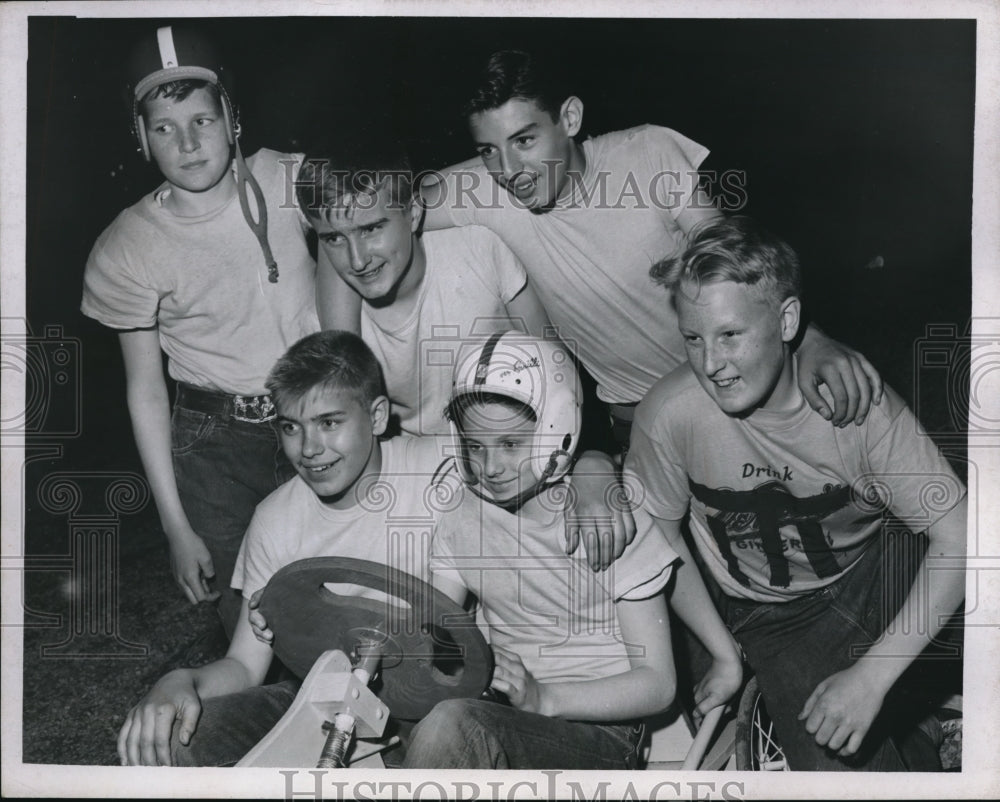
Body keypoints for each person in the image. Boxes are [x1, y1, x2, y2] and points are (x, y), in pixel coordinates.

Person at [626, 216, 967, 770]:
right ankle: (919, 732)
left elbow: (959, 534)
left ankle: (917, 710)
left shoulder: (857, 404)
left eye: (730, 334)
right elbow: (658, 538)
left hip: (873, 568)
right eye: (693, 338)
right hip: (774, 615)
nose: (710, 363)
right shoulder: (669, 415)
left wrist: (874, 676)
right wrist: (722, 653)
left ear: (788, 322)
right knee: (842, 773)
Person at [420, 49, 883, 448]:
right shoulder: (483, 188)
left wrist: (812, 340)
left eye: (524, 140)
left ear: (570, 119)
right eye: (488, 151)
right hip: (638, 417)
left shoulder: (647, 154)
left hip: (739, 382)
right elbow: (382, 202)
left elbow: (740, 263)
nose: (509, 169)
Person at [80, 26, 355, 635]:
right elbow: (146, 390)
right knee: (247, 612)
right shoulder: (127, 245)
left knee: (341, 582)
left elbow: (378, 215)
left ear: (232, 116)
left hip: (313, 409)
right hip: (213, 440)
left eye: (202, 120)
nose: (187, 142)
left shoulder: (291, 179)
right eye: (164, 127)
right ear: (140, 138)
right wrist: (175, 525)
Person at [402, 332, 743, 769]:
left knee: (452, 726)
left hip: (601, 730)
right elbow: (438, 632)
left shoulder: (607, 519)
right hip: (500, 711)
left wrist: (544, 698)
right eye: (475, 446)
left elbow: (658, 685)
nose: (490, 467)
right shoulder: (459, 514)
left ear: (556, 427)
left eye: (510, 444)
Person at [116, 330, 452, 766]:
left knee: (444, 736)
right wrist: (182, 680)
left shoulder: (441, 467)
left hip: (437, 708)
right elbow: (244, 666)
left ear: (378, 415)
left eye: (329, 423)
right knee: (180, 738)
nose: (309, 449)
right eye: (292, 427)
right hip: (327, 707)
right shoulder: (274, 520)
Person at [298, 135, 551, 437]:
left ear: (414, 214)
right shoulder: (321, 329)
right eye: (334, 238)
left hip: (518, 441)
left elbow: (551, 366)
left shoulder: (481, 246)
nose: (357, 260)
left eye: (371, 229)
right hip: (419, 465)